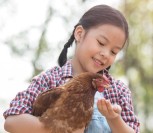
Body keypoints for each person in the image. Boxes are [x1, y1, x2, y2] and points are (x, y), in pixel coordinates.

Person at [3, 4, 140, 133]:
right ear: (79, 34)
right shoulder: (50, 80)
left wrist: (114, 118)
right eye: (101, 43)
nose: (105, 54)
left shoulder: (117, 90)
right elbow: (11, 121)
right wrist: (62, 128)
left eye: (114, 52)